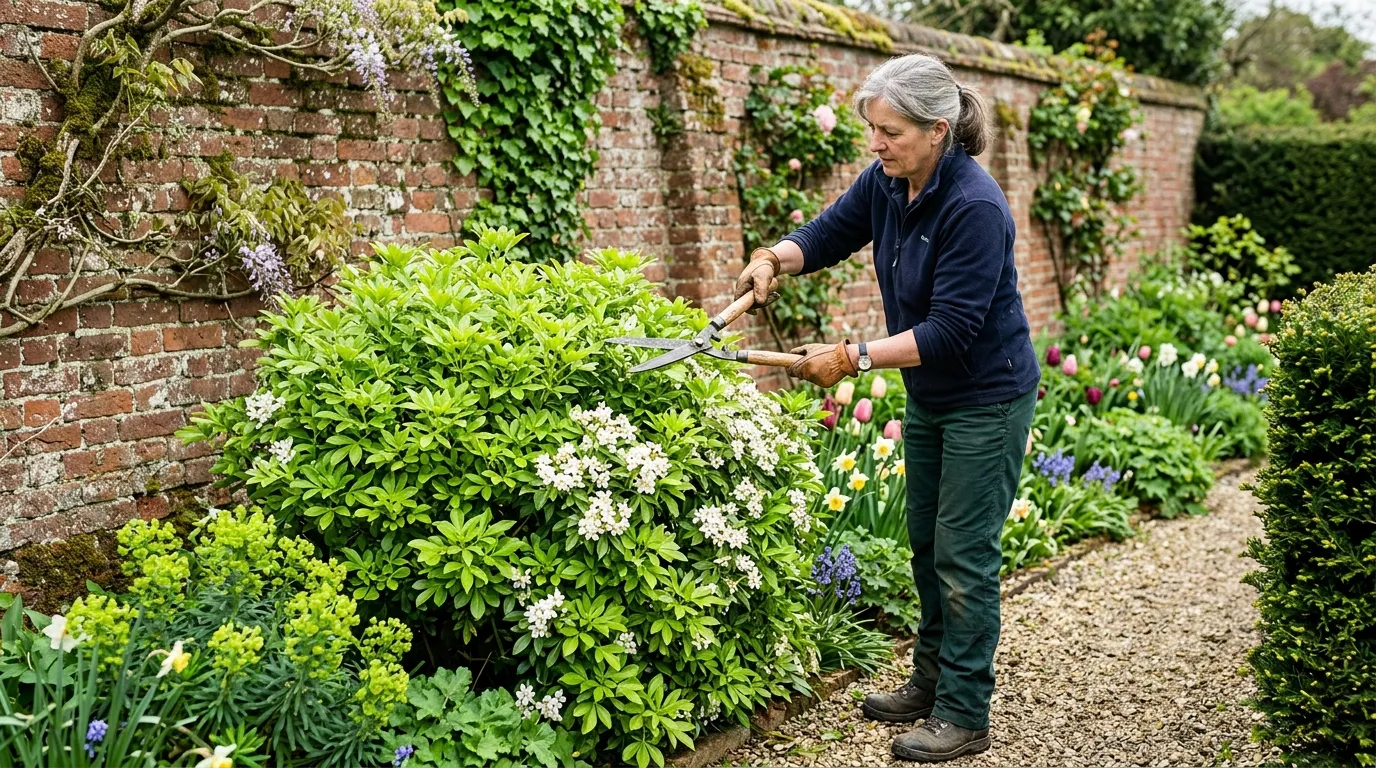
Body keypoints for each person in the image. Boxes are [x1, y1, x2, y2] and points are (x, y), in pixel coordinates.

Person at [733, 53, 1040, 763]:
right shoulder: (888, 182)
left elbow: (951, 332)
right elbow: (829, 231)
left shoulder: (975, 206)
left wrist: (851, 357)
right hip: (932, 398)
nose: (876, 143)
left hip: (986, 399)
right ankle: (930, 685)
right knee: (928, 545)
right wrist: (775, 259)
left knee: (965, 556)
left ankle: (965, 713)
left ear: (937, 130)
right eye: (872, 129)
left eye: (889, 131)